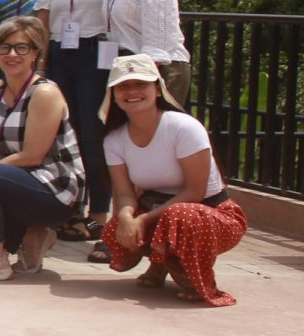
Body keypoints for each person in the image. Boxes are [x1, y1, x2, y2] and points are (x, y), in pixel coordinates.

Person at [0, 16, 87, 282]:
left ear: (35, 53)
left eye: (21, 48)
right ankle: (32, 234)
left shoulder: (44, 92)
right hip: (13, 181)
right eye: (4, 47)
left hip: (55, 187)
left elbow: (33, 155)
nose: (11, 54)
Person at [101, 54, 244, 306]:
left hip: (209, 215)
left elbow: (195, 192)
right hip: (160, 212)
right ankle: (162, 262)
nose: (132, 92)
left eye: (141, 84)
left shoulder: (184, 128)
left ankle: (194, 278)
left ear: (158, 89)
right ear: (113, 94)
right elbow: (124, 193)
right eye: (123, 86)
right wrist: (125, 217)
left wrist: (143, 219)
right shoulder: (114, 139)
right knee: (114, 228)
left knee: (180, 215)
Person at [39, 0, 112, 246]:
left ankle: (98, 215)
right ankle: (70, 210)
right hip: (58, 53)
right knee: (62, 134)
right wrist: (40, 62)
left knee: (93, 134)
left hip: (94, 53)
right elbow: (42, 17)